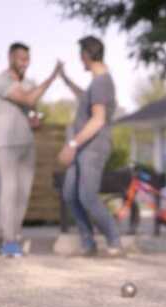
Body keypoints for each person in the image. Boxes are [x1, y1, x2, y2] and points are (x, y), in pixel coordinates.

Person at [0, 42, 61, 257]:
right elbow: (29, 98)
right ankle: (9, 242)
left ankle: (15, 236)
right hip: (6, 143)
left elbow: (31, 108)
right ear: (11, 57)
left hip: (26, 143)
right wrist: (53, 77)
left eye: (27, 59)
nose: (25, 63)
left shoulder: (29, 82)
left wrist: (34, 120)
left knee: (23, 194)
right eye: (21, 59)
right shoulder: (1, 80)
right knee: (10, 190)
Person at [56, 35, 123, 257]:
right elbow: (84, 97)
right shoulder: (96, 83)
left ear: (86, 55)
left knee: (87, 196)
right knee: (70, 195)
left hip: (92, 148)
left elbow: (98, 119)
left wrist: (72, 144)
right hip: (82, 148)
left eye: (81, 56)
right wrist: (65, 78)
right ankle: (88, 242)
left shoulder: (102, 81)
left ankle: (114, 240)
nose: (80, 61)